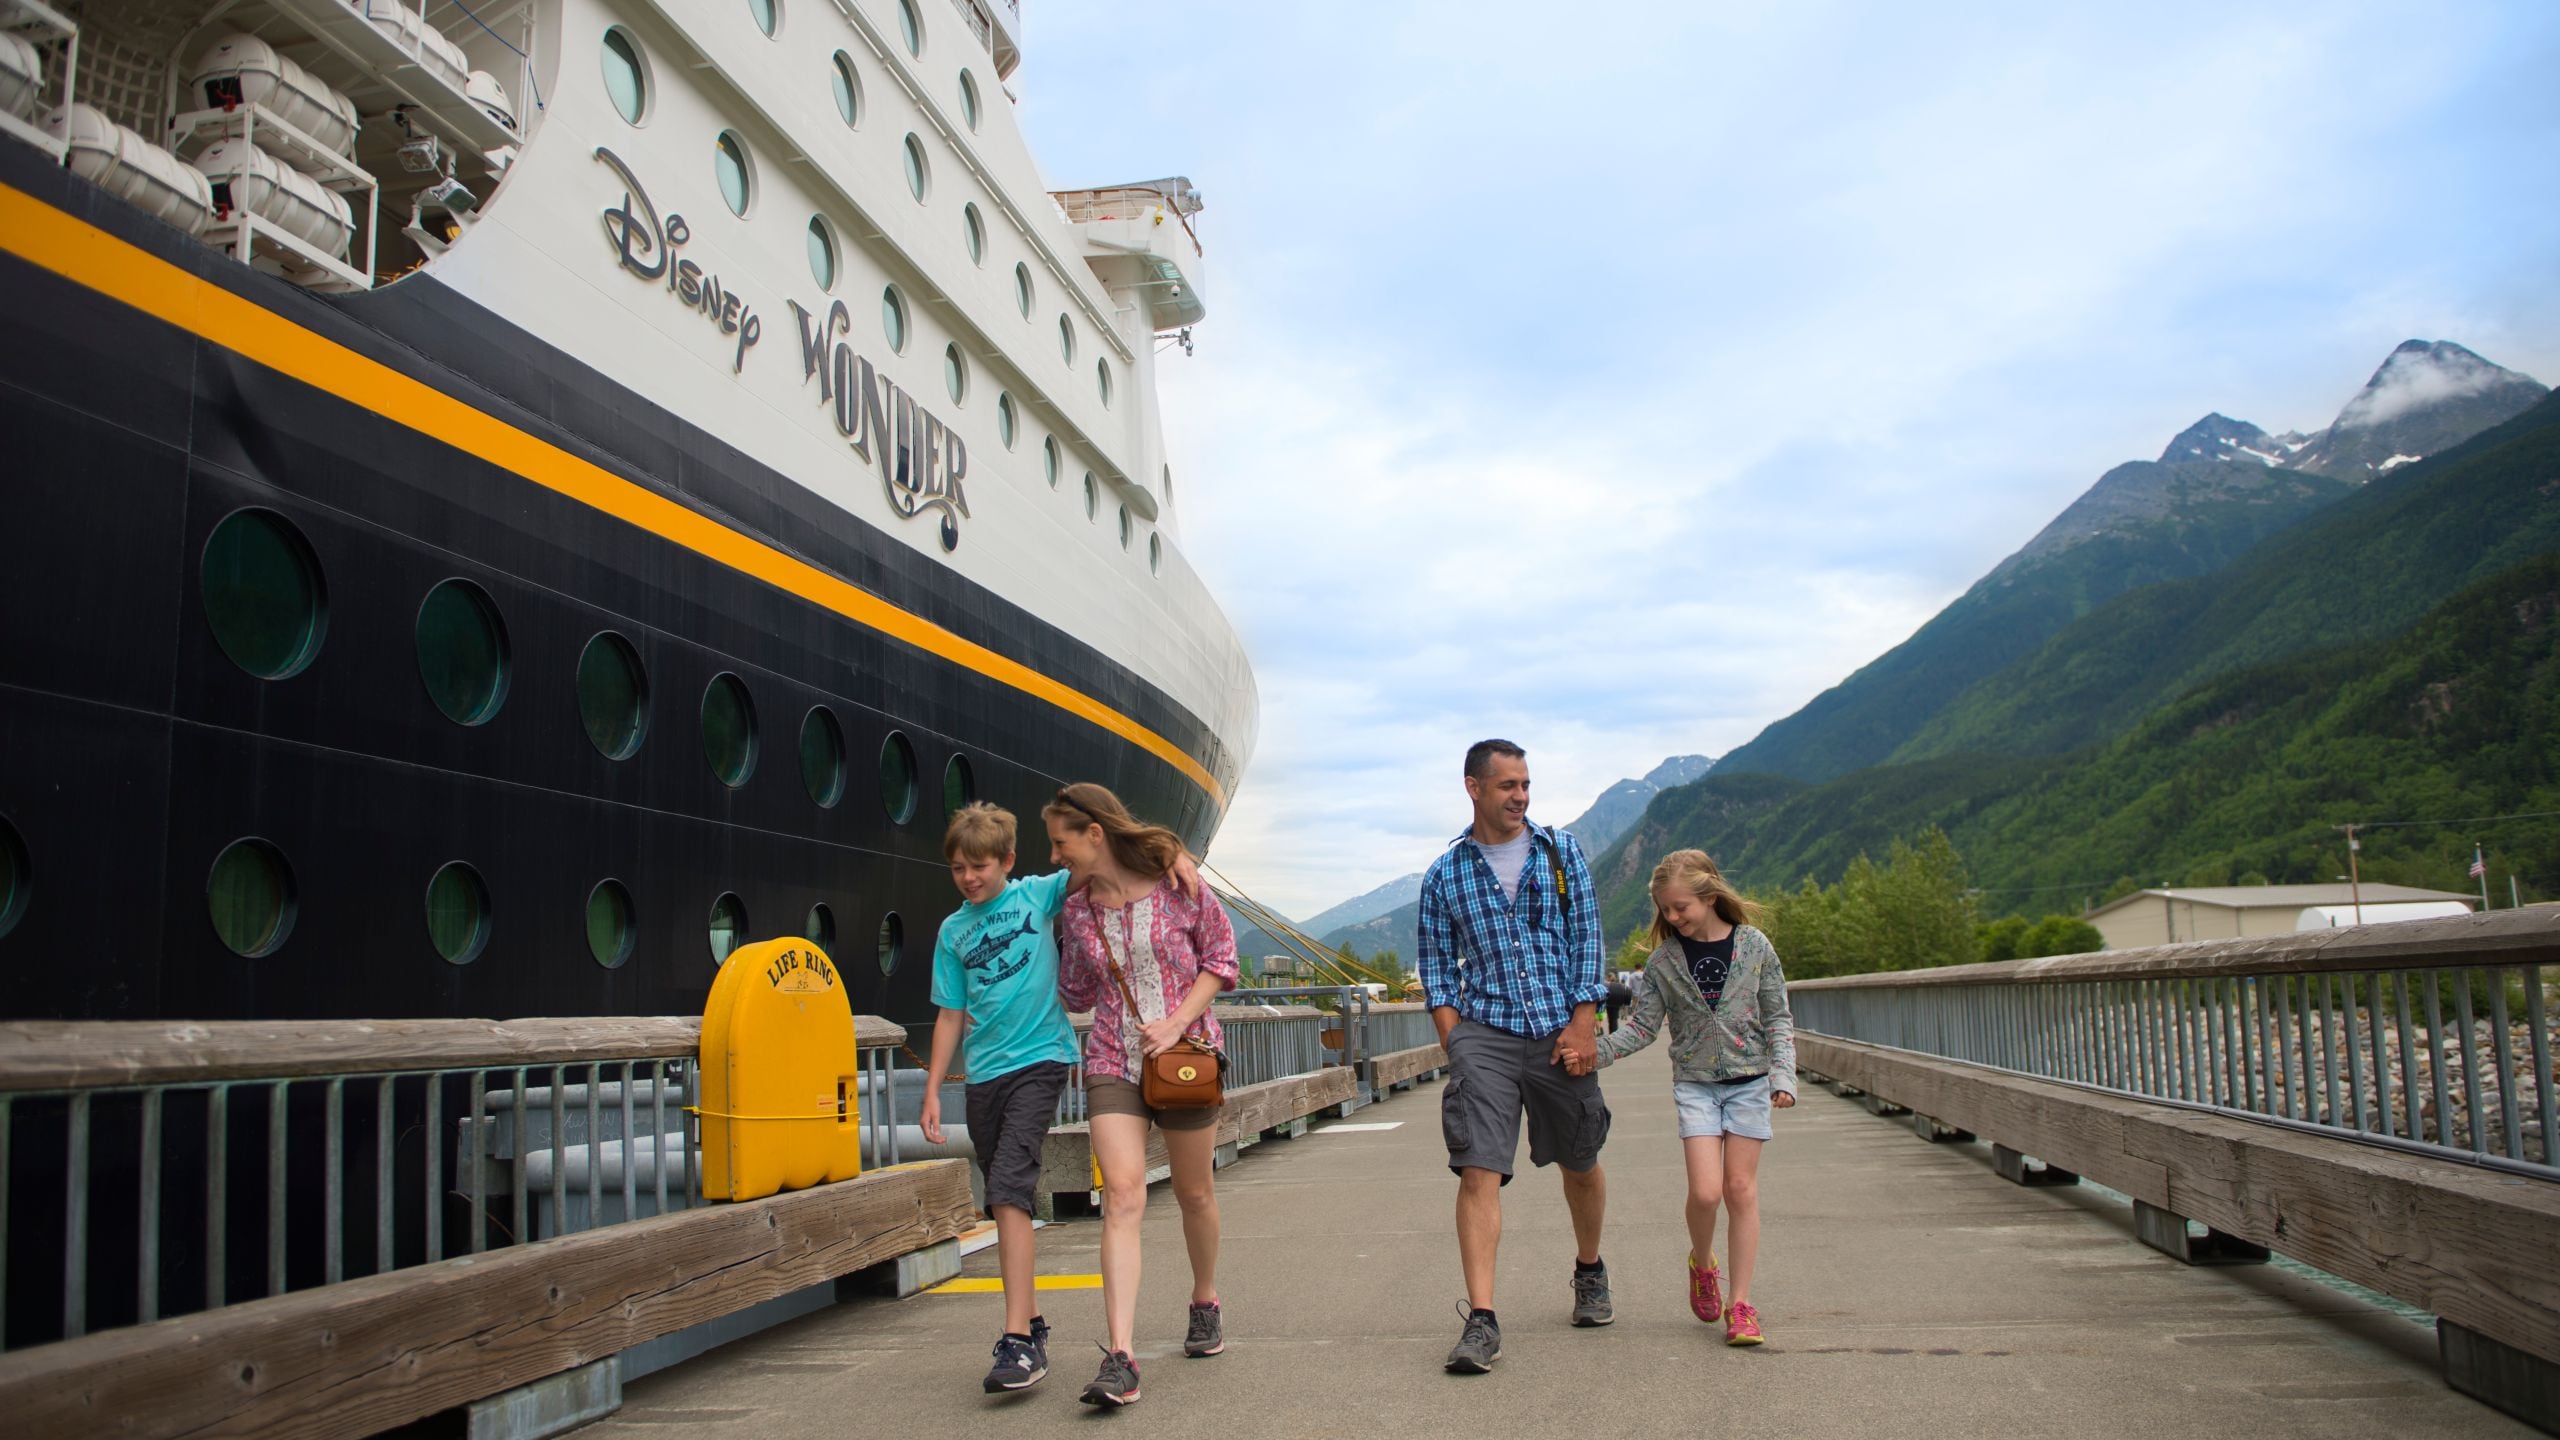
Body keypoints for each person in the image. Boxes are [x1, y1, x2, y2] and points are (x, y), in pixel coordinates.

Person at [1417, 739, 1612, 1374]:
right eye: (1507, 786)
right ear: (1474, 787)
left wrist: (1584, 1024)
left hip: (1561, 1030)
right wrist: (1458, 1042)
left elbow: (1588, 941)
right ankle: (1482, 1319)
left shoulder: (1561, 853)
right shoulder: (1445, 875)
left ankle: (1589, 1270)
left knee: (1580, 1160)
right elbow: (1438, 969)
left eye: (1525, 784)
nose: (1521, 796)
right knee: (1478, 1168)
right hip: (1487, 1034)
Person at [1048, 782, 1240, 1408]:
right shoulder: (1076, 909)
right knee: (1123, 1195)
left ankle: (1205, 1299)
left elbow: (1222, 957)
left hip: (1185, 1058)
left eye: (1060, 843)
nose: (1055, 857)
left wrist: (1178, 1019)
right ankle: (1121, 1355)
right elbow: (1077, 993)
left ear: (1094, 834)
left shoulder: (1177, 883)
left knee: (1193, 1193)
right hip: (1111, 1059)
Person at [1595, 849, 1797, 1346]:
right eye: (1665, 910)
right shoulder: (1664, 960)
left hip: (1750, 1083)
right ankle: (1703, 1263)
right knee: (1706, 1192)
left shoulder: (1754, 947)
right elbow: (1642, 1028)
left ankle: (1741, 1304)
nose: (1673, 918)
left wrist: (1783, 1076)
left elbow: (1778, 1017)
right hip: (1696, 1085)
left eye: (1681, 907)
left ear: (1709, 897)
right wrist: (1593, 1052)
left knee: (1740, 1190)